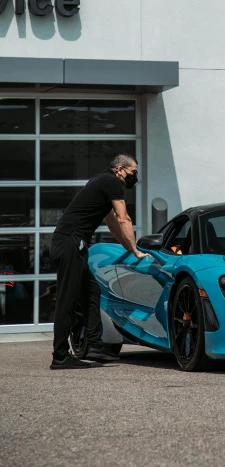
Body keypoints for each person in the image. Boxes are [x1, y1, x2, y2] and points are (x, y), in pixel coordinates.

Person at [49, 153, 149, 370]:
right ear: (120, 169)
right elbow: (124, 218)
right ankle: (60, 356)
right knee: (67, 300)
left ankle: (95, 345)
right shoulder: (112, 182)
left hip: (70, 243)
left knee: (91, 292)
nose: (135, 177)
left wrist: (128, 248)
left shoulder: (101, 180)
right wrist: (136, 251)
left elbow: (112, 221)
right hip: (70, 243)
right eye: (133, 173)